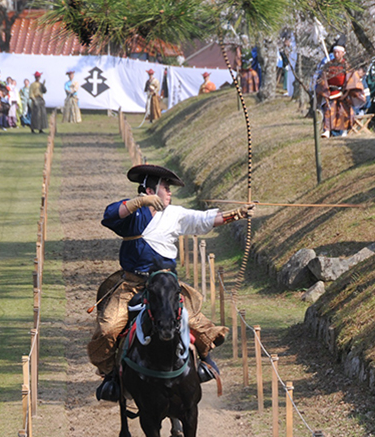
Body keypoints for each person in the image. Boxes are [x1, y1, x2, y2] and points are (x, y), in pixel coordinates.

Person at [89, 164, 253, 402]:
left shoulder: (175, 213)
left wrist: (236, 214)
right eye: (165, 188)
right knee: (108, 329)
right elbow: (110, 214)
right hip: (131, 284)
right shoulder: (133, 213)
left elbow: (204, 219)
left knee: (198, 324)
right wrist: (139, 203)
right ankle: (112, 376)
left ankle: (204, 362)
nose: (170, 193)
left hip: (165, 284)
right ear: (150, 190)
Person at [315, 40, 366, 138]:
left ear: (343, 53)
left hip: (343, 92)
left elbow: (352, 79)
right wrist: (325, 91)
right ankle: (327, 130)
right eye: (335, 52)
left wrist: (346, 92)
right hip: (330, 92)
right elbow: (322, 79)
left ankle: (343, 131)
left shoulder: (347, 66)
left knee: (344, 112)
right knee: (329, 110)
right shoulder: (328, 66)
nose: (336, 54)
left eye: (339, 52)